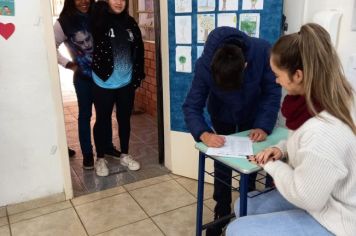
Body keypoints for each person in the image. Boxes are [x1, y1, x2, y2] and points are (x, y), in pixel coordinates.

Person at [227, 23, 356, 236]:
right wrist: (282, 149)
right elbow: (305, 141)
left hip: (340, 219)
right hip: (324, 196)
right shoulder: (330, 98)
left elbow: (307, 196)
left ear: (298, 75)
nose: (276, 81)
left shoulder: (324, 131)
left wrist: (271, 164)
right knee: (245, 205)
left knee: (237, 230)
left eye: (278, 74)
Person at [182, 26, 281, 235]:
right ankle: (222, 210)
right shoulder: (205, 65)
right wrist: (204, 133)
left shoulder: (262, 51)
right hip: (222, 115)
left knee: (252, 160)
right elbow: (191, 105)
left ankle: (249, 208)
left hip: (252, 117)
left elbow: (272, 92)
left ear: (245, 65)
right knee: (222, 161)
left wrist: (263, 125)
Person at [54, 0, 120, 170]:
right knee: (85, 116)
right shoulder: (64, 22)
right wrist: (68, 64)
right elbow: (50, 46)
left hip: (104, 77)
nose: (84, 1)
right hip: (83, 79)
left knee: (104, 114)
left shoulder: (97, 14)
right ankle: (88, 154)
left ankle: (106, 147)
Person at [91, 0, 145, 176]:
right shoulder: (99, 19)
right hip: (103, 82)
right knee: (103, 120)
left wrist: (137, 77)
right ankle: (100, 158)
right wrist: (101, 7)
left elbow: (139, 50)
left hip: (125, 83)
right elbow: (94, 26)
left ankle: (125, 154)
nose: (119, 2)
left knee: (124, 120)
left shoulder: (130, 23)